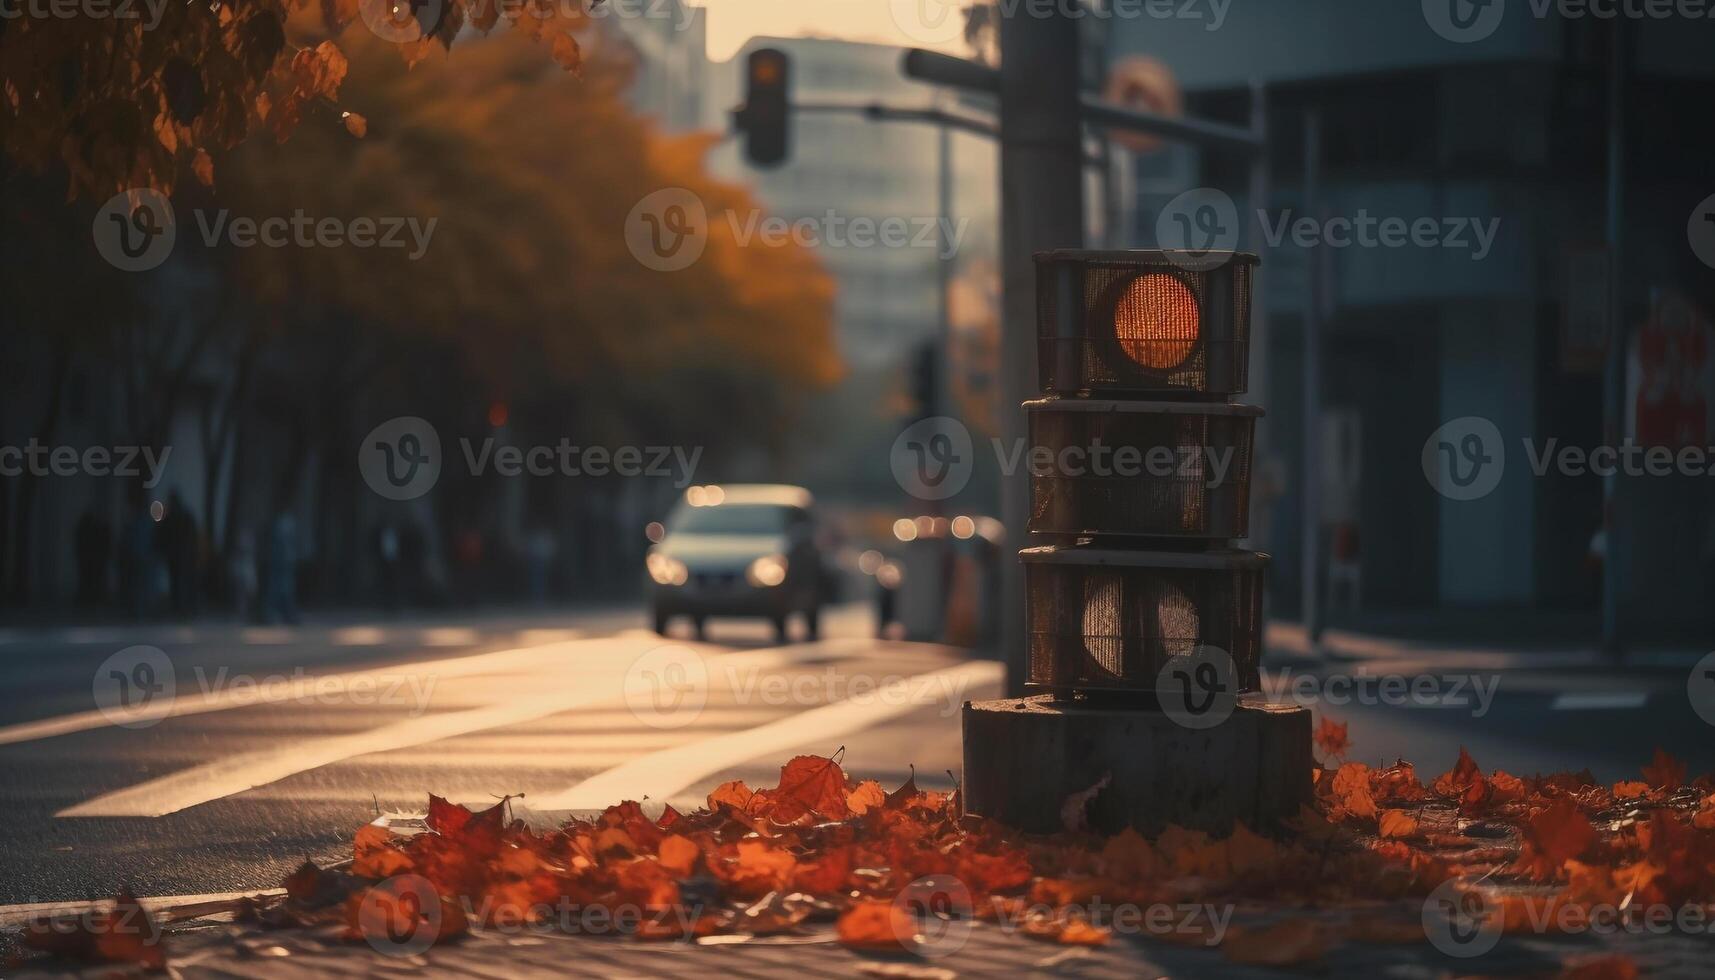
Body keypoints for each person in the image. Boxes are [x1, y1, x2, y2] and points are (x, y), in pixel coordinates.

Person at [263, 512, 300, 625]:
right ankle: (275, 615)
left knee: (285, 590)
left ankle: (285, 615)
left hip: (285, 565)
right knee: (279, 590)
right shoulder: (279, 544)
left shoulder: (283, 544)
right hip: (280, 565)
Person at [74, 506, 112, 605]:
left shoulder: (94, 530)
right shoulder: (95, 530)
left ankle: (91, 598)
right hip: (93, 559)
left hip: (93, 559)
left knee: (92, 579)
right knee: (91, 579)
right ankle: (90, 598)